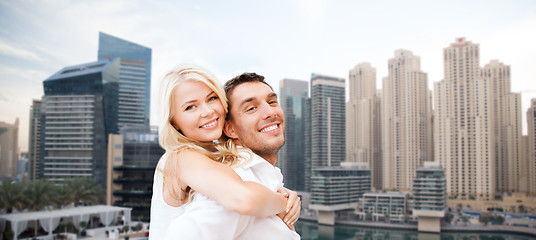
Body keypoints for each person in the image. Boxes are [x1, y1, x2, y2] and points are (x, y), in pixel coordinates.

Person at [149, 65, 300, 240]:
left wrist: (277, 190)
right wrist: (283, 202)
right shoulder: (181, 156)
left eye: (212, 98)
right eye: (190, 107)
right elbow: (243, 198)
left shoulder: (218, 159)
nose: (208, 111)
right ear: (173, 121)